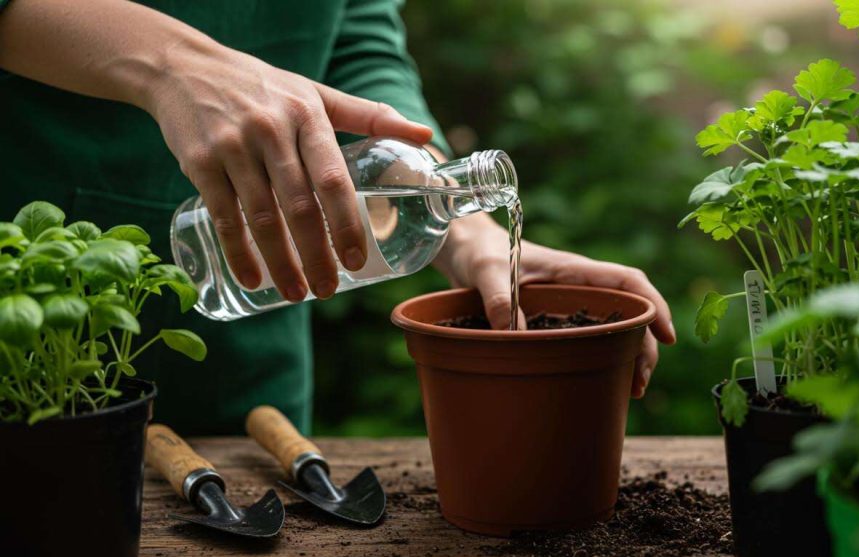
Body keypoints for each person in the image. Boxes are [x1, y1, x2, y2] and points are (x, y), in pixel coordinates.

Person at [0, 0, 675, 434]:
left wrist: (472, 235)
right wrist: (174, 65)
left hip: (249, 378)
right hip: (39, 301)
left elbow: (356, 36)